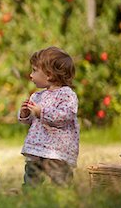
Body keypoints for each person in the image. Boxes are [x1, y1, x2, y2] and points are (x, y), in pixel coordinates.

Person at [18, 46, 79, 187]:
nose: (31, 75)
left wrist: (41, 112)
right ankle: (30, 200)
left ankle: (62, 202)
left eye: (34, 70)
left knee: (60, 181)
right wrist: (25, 114)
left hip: (57, 151)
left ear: (49, 75)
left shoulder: (67, 95)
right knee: (31, 179)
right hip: (37, 149)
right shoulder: (38, 95)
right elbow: (32, 121)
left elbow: (65, 116)